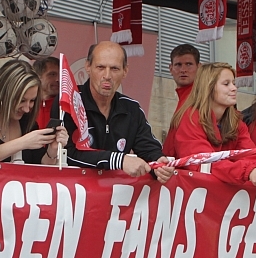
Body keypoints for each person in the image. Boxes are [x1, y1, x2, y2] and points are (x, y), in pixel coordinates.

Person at [55, 41, 172, 181]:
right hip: (74, 191)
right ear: (88, 66)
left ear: (125, 71)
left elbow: (148, 148)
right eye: (100, 67)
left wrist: (159, 163)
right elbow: (66, 154)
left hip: (115, 194)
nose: (107, 75)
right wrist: (118, 160)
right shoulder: (68, 102)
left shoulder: (131, 108)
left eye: (114, 69)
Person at [168, 62, 256, 198]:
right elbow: (204, 163)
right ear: (208, 88)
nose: (234, 88)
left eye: (233, 83)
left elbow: (251, 156)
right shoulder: (190, 119)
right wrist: (249, 171)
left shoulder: (236, 122)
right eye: (226, 84)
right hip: (186, 198)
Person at [0, 59, 67, 164]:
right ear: (4, 94)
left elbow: (41, 165)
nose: (27, 109)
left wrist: (53, 149)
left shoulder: (27, 122)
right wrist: (23, 142)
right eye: (21, 100)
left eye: (32, 100)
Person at [161, 43, 201, 159]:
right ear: (170, 68)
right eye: (178, 65)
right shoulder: (184, 97)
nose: (183, 70)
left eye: (189, 64)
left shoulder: (203, 98)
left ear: (199, 67)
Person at [32, 56, 59, 131]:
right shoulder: (26, 106)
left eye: (61, 74)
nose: (58, 79)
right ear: (38, 77)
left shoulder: (65, 107)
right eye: (52, 74)